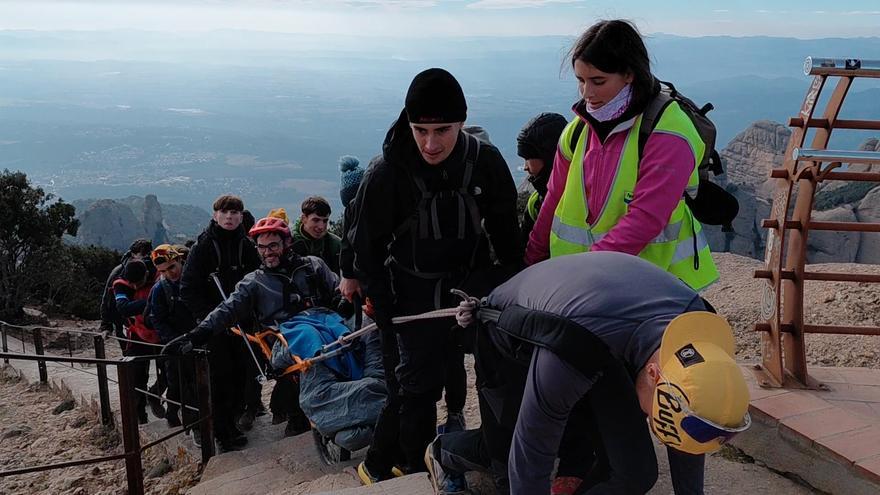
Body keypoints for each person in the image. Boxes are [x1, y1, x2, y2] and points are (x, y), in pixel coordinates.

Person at [427, 251, 750, 495]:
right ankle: (444, 451)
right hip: (518, 337)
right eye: (657, 416)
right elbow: (532, 451)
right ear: (653, 374)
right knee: (506, 463)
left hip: (606, 337)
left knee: (633, 473)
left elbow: (689, 414)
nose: (652, 422)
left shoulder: (701, 338)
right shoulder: (570, 352)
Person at [348, 68, 522, 487]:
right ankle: (416, 468)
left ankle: (497, 458)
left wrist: (504, 289)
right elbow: (366, 248)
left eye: (442, 129)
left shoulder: (486, 163)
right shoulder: (388, 174)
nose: (430, 143)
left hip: (473, 289)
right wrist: (384, 307)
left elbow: (508, 239)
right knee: (416, 388)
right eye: (420, 129)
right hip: (410, 293)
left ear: (462, 122)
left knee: (494, 375)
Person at [525, 20, 718, 292]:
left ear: (629, 74)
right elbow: (553, 198)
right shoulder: (577, 130)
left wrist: (583, 275)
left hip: (656, 287)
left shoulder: (669, 131)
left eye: (598, 81)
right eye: (581, 81)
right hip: (582, 286)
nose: (587, 93)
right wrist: (532, 259)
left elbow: (646, 217)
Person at [167, 216, 340, 444]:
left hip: (324, 324)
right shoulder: (255, 282)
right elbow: (226, 310)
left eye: (273, 246)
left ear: (286, 244)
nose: (268, 252)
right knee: (311, 340)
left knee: (351, 338)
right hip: (285, 337)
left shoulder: (313, 266)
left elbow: (338, 288)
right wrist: (196, 335)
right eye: (262, 247)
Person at [180, 194, 261, 450]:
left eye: (235, 212)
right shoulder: (203, 247)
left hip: (242, 324)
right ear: (215, 214)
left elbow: (258, 279)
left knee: (241, 375)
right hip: (215, 325)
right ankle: (222, 431)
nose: (230, 217)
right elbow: (188, 287)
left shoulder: (246, 245)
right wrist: (207, 318)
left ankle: (234, 421)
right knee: (220, 377)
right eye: (225, 212)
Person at [148, 244, 198, 434]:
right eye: (163, 270)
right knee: (178, 385)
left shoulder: (194, 280)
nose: (169, 273)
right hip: (174, 346)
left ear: (179, 260)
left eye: (172, 267)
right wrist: (174, 341)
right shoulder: (160, 290)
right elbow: (157, 320)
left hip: (198, 339)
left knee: (197, 385)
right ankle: (185, 421)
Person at [112, 259, 161, 424]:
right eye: (131, 284)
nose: (134, 287)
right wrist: (154, 301)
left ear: (146, 275)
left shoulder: (159, 272)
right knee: (137, 377)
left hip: (162, 332)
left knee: (171, 371)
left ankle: (155, 395)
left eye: (137, 284)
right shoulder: (121, 283)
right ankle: (139, 419)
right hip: (138, 335)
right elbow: (123, 308)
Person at [516, 112, 567, 244]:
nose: (525, 167)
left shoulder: (581, 198)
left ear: (548, 157)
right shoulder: (535, 202)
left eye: (528, 158)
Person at [100, 238, 153, 343]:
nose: (145, 258)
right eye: (142, 254)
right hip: (126, 324)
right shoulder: (118, 273)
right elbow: (108, 299)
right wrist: (106, 325)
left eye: (148, 254)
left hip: (150, 325)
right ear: (133, 254)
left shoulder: (155, 269)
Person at [292, 196, 342, 274]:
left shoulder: (336, 245)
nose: (321, 227)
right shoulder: (289, 242)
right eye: (316, 220)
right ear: (304, 219)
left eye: (325, 221)